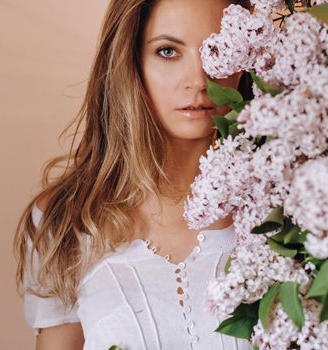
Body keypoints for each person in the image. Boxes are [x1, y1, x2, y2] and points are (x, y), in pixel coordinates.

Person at [13, 0, 254, 349]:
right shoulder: (66, 222)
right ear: (130, 61)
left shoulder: (282, 213)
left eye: (217, 48)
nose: (199, 79)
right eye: (168, 51)